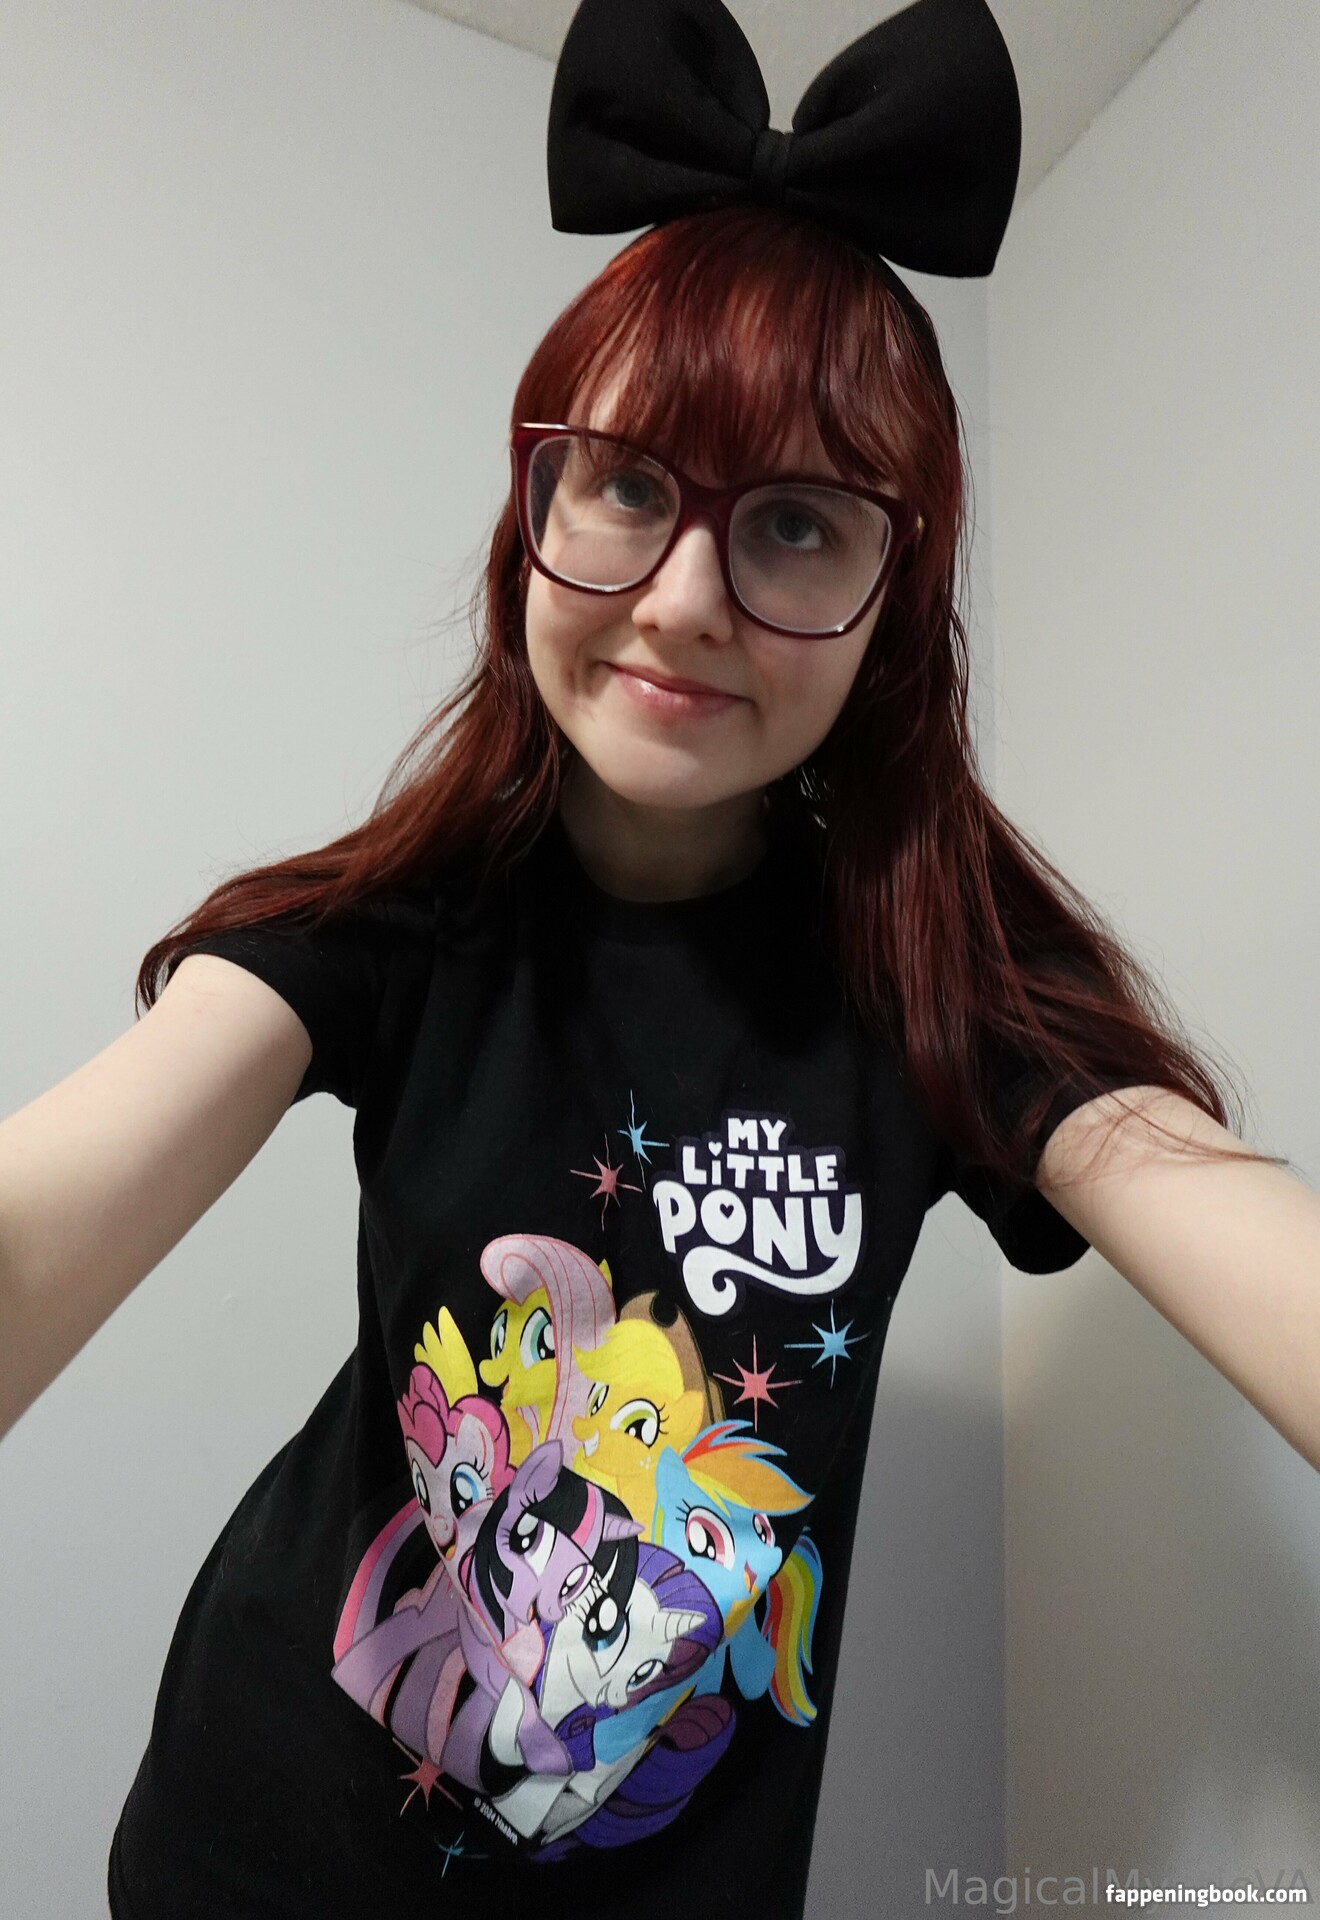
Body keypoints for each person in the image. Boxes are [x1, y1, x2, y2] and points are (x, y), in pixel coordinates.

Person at [1, 1, 1316, 1916]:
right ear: (534, 512)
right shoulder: (402, 922)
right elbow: (40, 1220)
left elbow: (1239, 1231)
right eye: (628, 483)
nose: (689, 600)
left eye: (794, 523)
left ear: (894, 600)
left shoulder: (932, 978)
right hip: (255, 1846)